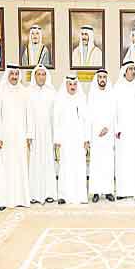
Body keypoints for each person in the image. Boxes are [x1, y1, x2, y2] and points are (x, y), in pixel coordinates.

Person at [0, 64, 30, 210]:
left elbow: (28, 115)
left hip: (21, 135)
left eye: (16, 74)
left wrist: (29, 135)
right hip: (5, 136)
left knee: (20, 165)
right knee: (6, 167)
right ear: (7, 75)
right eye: (12, 74)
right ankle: (4, 200)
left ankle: (21, 199)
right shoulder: (1, 92)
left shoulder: (24, 91)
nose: (14, 77)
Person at [54, 75, 89, 204]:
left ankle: (80, 196)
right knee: (65, 166)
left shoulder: (82, 99)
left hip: (79, 139)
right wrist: (57, 140)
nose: (72, 87)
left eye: (74, 84)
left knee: (79, 166)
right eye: (70, 84)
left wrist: (86, 139)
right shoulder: (60, 100)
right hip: (65, 139)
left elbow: (87, 121)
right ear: (66, 85)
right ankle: (63, 195)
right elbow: (56, 121)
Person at [114, 60, 135, 199]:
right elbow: (114, 110)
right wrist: (117, 128)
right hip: (123, 131)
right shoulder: (118, 87)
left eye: (134, 69)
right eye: (130, 69)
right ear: (125, 71)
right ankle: (122, 192)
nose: (133, 71)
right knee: (123, 161)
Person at [26, 64, 57, 204]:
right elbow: (27, 114)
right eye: (39, 74)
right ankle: (34, 194)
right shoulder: (29, 92)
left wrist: (56, 135)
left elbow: (55, 116)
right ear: (34, 76)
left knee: (48, 162)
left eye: (43, 74)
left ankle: (49, 193)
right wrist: (29, 134)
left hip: (48, 132)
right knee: (35, 162)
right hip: (34, 133)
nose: (41, 77)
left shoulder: (52, 92)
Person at [88, 69, 115, 203]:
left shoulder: (111, 94)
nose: (102, 79)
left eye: (104, 77)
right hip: (96, 134)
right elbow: (89, 115)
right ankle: (96, 192)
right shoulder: (92, 94)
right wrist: (95, 131)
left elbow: (113, 113)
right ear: (97, 79)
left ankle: (108, 191)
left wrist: (107, 127)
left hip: (108, 134)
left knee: (108, 163)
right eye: (100, 77)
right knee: (96, 163)